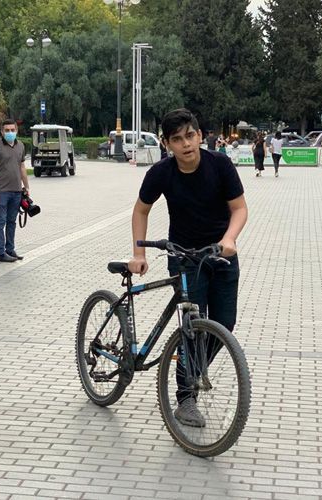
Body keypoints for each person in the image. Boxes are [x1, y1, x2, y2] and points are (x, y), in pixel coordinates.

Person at [128, 108, 248, 427]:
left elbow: (239, 208)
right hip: (183, 256)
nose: (186, 144)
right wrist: (138, 252)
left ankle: (192, 368)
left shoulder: (219, 165)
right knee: (193, 327)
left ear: (199, 135)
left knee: (224, 323)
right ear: (168, 144)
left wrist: (230, 238)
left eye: (190, 135)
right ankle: (185, 398)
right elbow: (141, 211)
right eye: (177, 139)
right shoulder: (162, 173)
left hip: (221, 253)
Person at [0, 118, 29, 263]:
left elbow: (22, 167)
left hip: (17, 191)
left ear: (16, 130)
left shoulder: (21, 146)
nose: (10, 133)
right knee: (0, 221)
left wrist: (27, 187)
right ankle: (0, 252)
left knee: (12, 221)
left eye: (12, 130)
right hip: (2, 192)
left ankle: (10, 250)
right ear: (2, 131)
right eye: (7, 130)